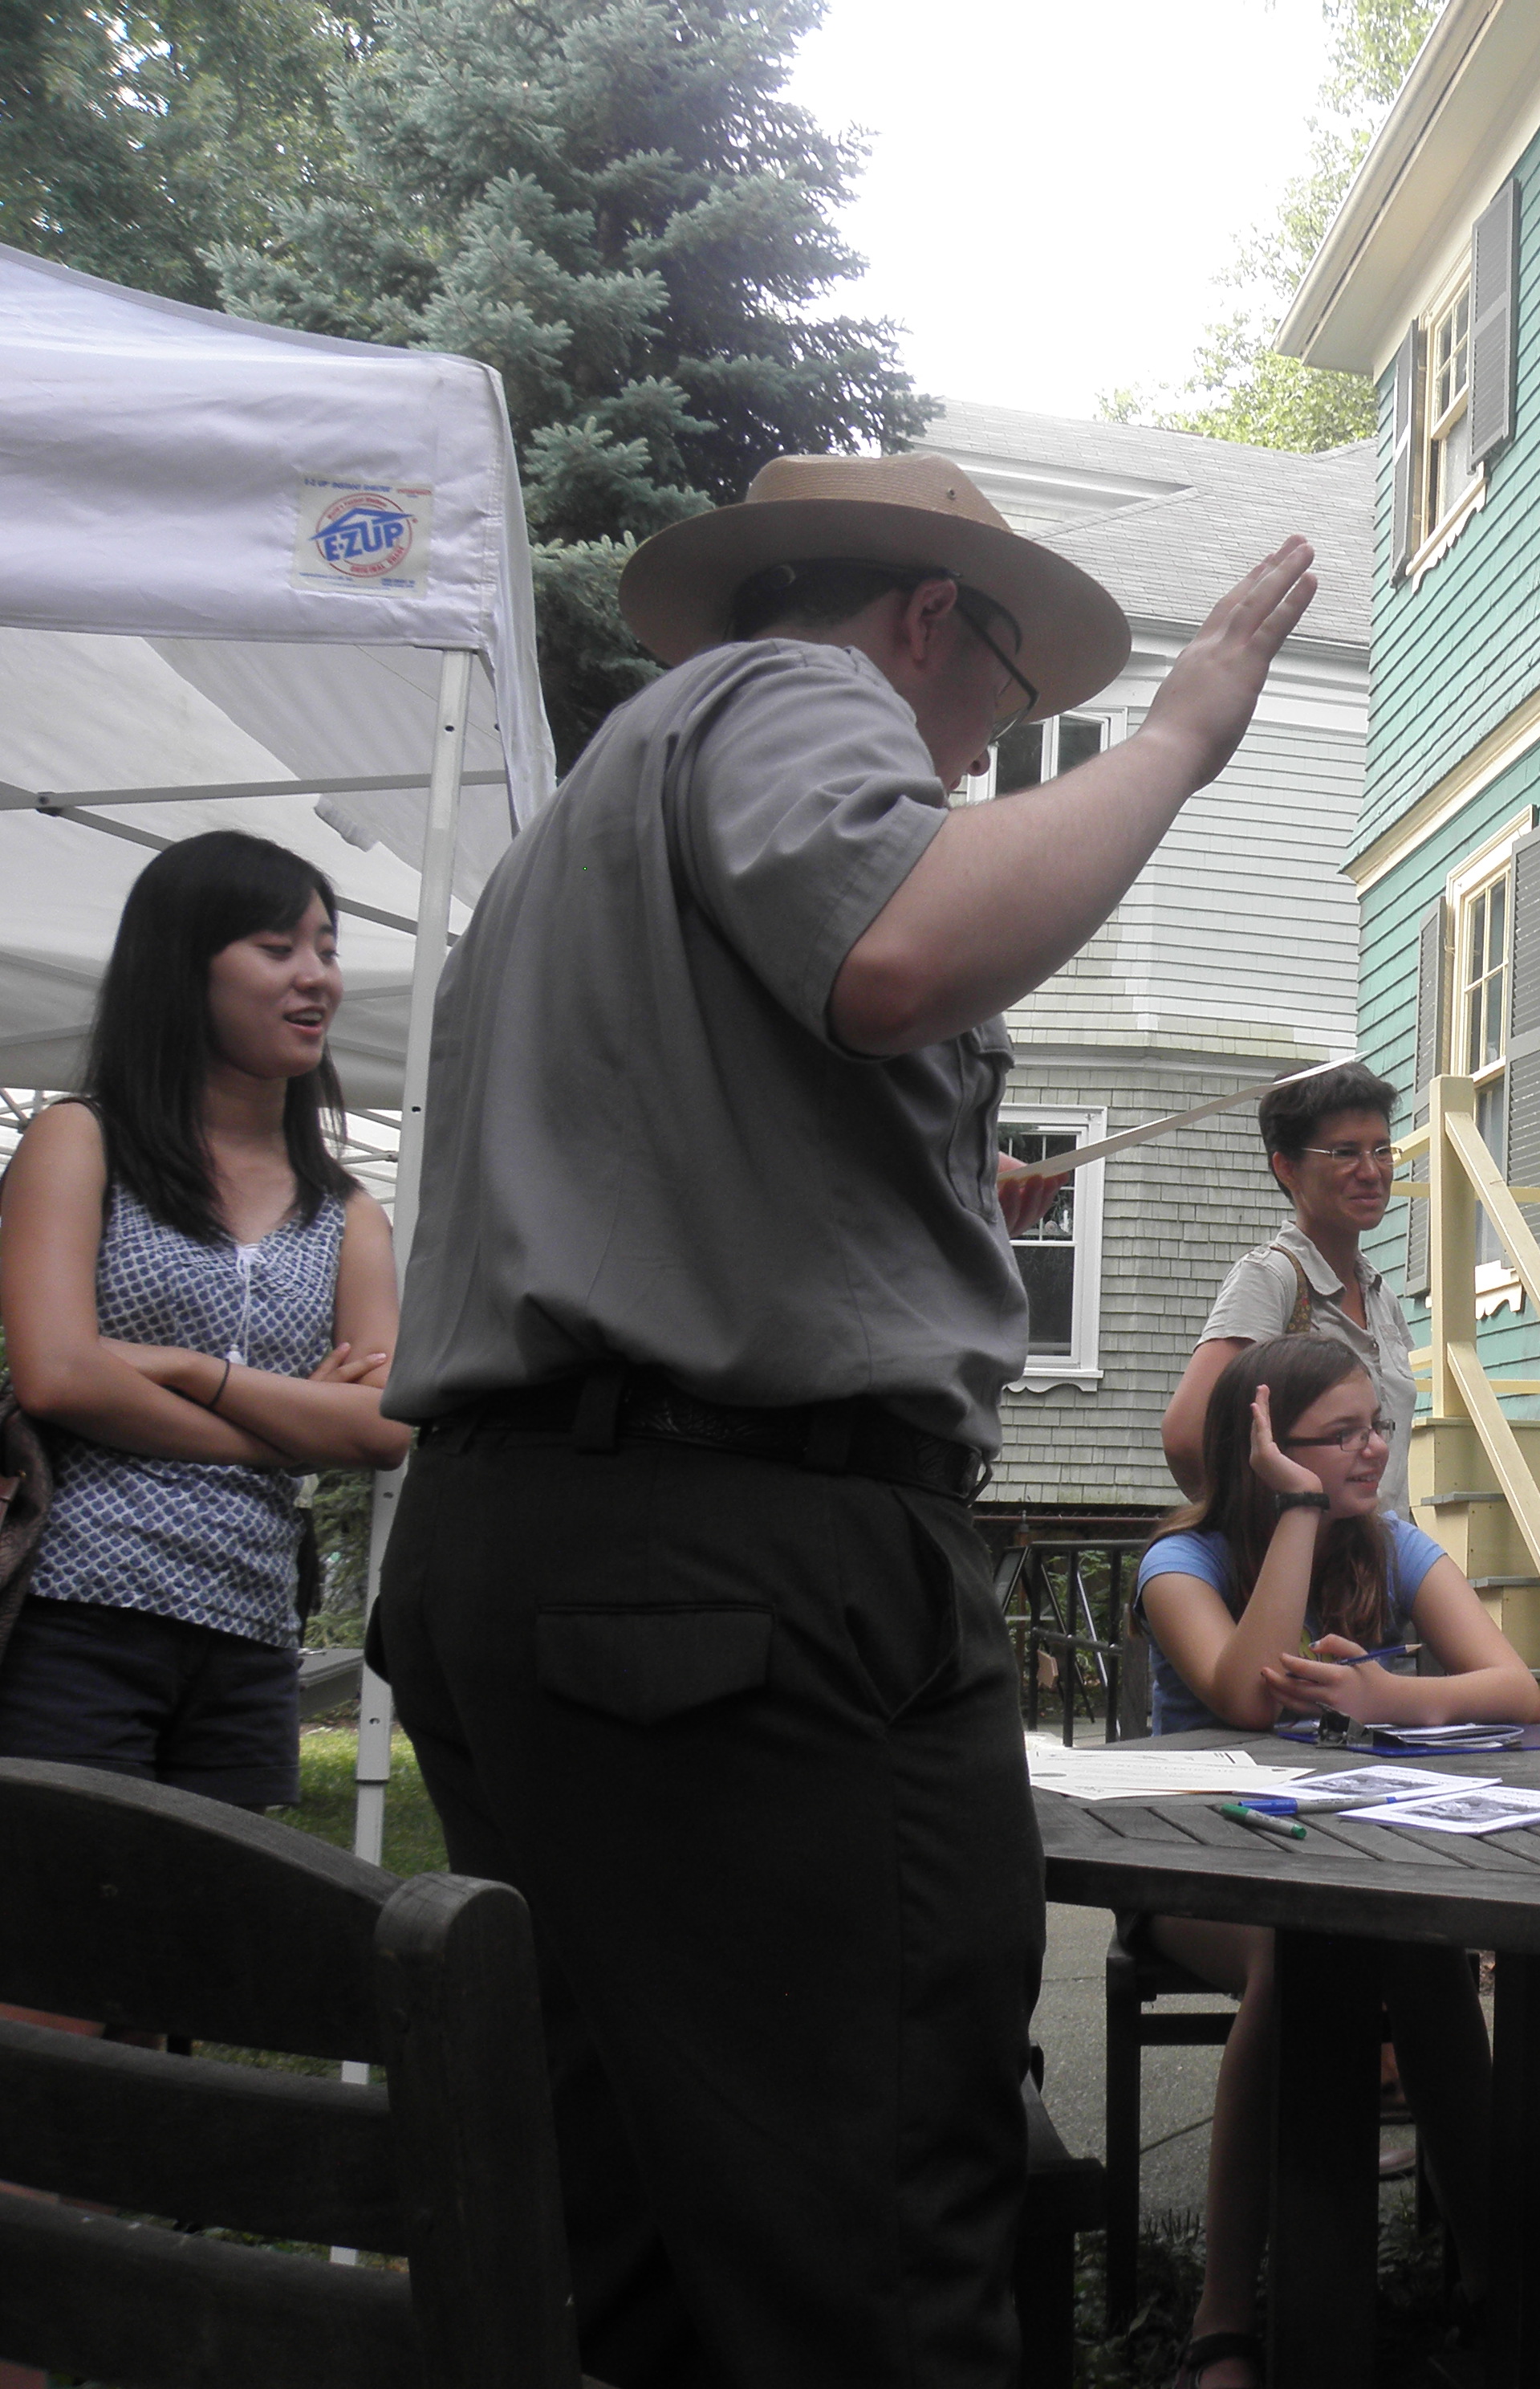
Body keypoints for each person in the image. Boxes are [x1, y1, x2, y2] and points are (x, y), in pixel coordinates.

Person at [367, 450, 1314, 2389]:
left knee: (635, 2225)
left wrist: (947, 1201)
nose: (978, 759)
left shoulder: (587, 823)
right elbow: (894, 944)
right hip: (738, 1581)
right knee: (873, 2225)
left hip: (529, 1560)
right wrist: (1186, 736)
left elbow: (686, 1158)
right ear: (916, 618)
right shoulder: (797, 695)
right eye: (994, 703)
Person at [1133, 1335, 1540, 2389]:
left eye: (1379, 1424)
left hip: (1357, 1852)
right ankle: (1224, 2320)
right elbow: (1246, 1695)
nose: (1375, 1447)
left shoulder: (1394, 1545)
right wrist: (1300, 1515)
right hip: (1201, 1870)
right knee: (1294, 1954)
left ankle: (1498, 2298)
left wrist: (1392, 1697)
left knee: (1428, 1953)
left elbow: (1518, 1690)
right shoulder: (1182, 1563)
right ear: (1265, 1449)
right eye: (1342, 1435)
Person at [0, 831, 409, 1805]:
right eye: (278, 949)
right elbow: (57, 1374)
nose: (317, 978)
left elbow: (387, 1425)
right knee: (59, 1938)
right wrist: (286, 1433)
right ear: (184, 968)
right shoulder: (80, 1138)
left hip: (253, 1634)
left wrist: (187, 1371)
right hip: (74, 1612)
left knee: (218, 1947)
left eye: (328, 947)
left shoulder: (347, 1210)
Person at [1163, 1061, 1416, 1515]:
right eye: (1344, 1153)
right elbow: (1186, 1437)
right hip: (1312, 1569)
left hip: (1379, 1562)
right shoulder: (1272, 1279)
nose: (1371, 1170)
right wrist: (1281, 1532)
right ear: (1288, 1169)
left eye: (1381, 1150)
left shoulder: (1381, 1296)